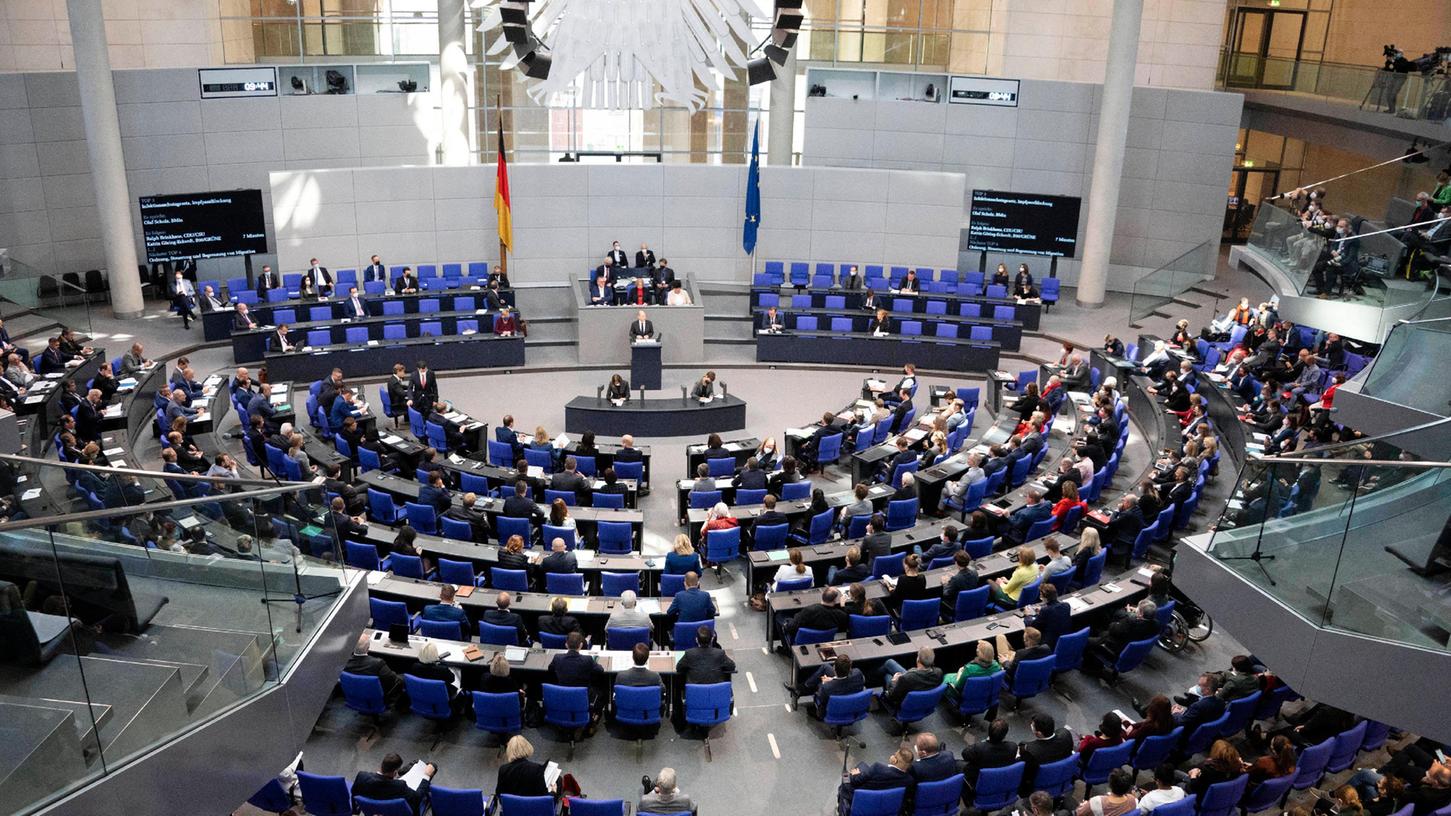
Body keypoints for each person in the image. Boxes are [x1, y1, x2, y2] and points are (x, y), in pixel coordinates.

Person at [838, 746, 914, 814]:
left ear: (894, 760)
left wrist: (854, 774)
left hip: (862, 800)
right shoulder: (909, 781)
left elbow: (855, 781)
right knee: (863, 765)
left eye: (894, 754)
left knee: (845, 776)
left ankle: (840, 803)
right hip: (886, 807)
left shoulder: (878, 768)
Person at [352, 753, 435, 813]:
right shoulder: (400, 786)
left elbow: (354, 794)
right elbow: (417, 798)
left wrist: (355, 812)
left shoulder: (361, 776)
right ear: (395, 772)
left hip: (374, 811)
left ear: (381, 765)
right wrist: (426, 776)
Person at [878, 646, 944, 713]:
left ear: (918, 660)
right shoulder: (939, 672)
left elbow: (893, 696)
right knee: (889, 662)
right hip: (922, 697)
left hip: (903, 703)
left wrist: (894, 681)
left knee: (887, 675)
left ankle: (871, 678)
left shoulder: (906, 678)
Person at [797, 653, 865, 717]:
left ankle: (801, 690)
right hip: (851, 705)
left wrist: (824, 684)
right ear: (850, 668)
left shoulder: (826, 687)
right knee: (825, 667)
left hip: (831, 710)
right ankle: (803, 687)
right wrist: (833, 679)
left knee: (819, 684)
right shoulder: (858, 673)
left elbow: (821, 698)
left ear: (834, 669)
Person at [962, 718, 1019, 791]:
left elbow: (964, 754)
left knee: (959, 764)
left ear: (989, 732)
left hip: (980, 782)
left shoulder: (979, 748)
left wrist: (984, 742)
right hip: (1001, 781)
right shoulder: (1013, 747)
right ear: (1004, 736)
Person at [344, 632, 402, 700]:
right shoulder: (377, 663)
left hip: (353, 695)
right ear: (368, 648)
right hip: (376, 699)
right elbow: (392, 680)